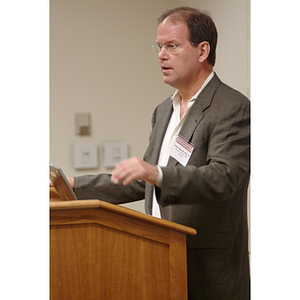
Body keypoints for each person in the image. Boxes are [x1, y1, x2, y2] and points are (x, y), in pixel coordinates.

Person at [60, 7, 250, 300]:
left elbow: (224, 178)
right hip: (160, 259)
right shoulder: (164, 111)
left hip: (208, 270)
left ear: (202, 51)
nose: (161, 55)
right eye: (159, 46)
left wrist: (156, 172)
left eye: (172, 46)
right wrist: (73, 185)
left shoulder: (231, 106)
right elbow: (145, 180)